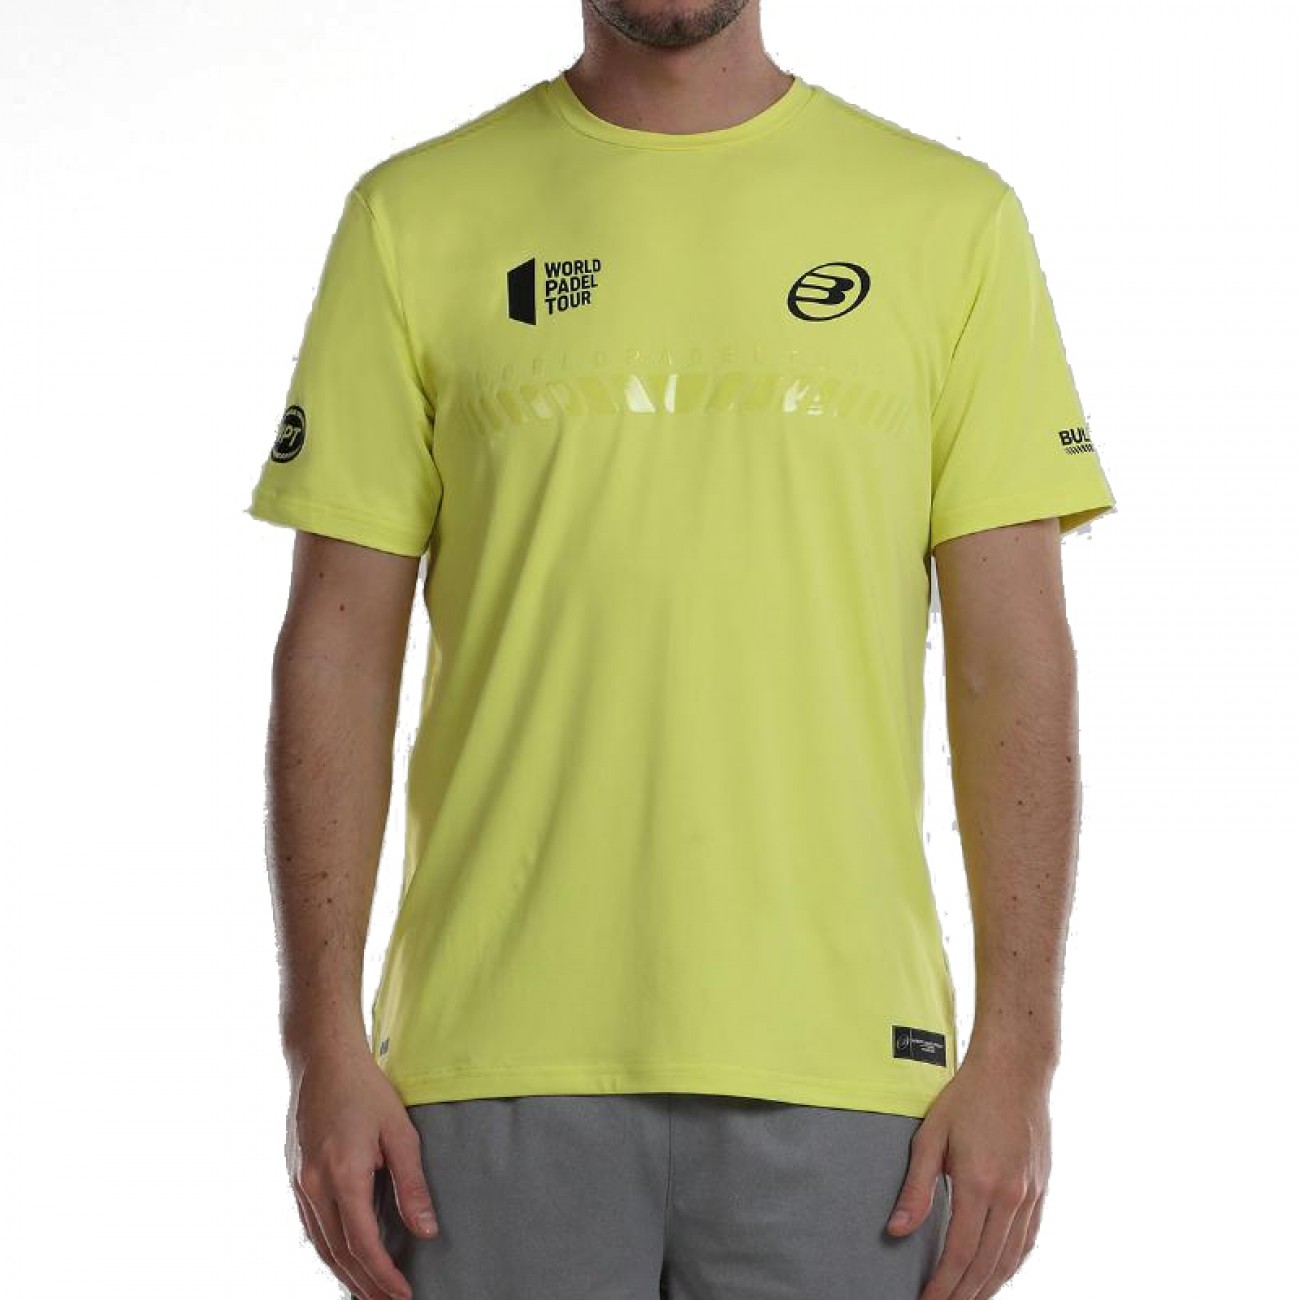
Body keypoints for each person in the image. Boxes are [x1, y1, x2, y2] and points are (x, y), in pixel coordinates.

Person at [245, 1, 1117, 1297]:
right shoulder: (412, 218)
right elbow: (334, 655)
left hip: (849, 1075)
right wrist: (319, 1046)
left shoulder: (950, 222)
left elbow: (1014, 665)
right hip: (484, 1072)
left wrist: (1021, 1057)